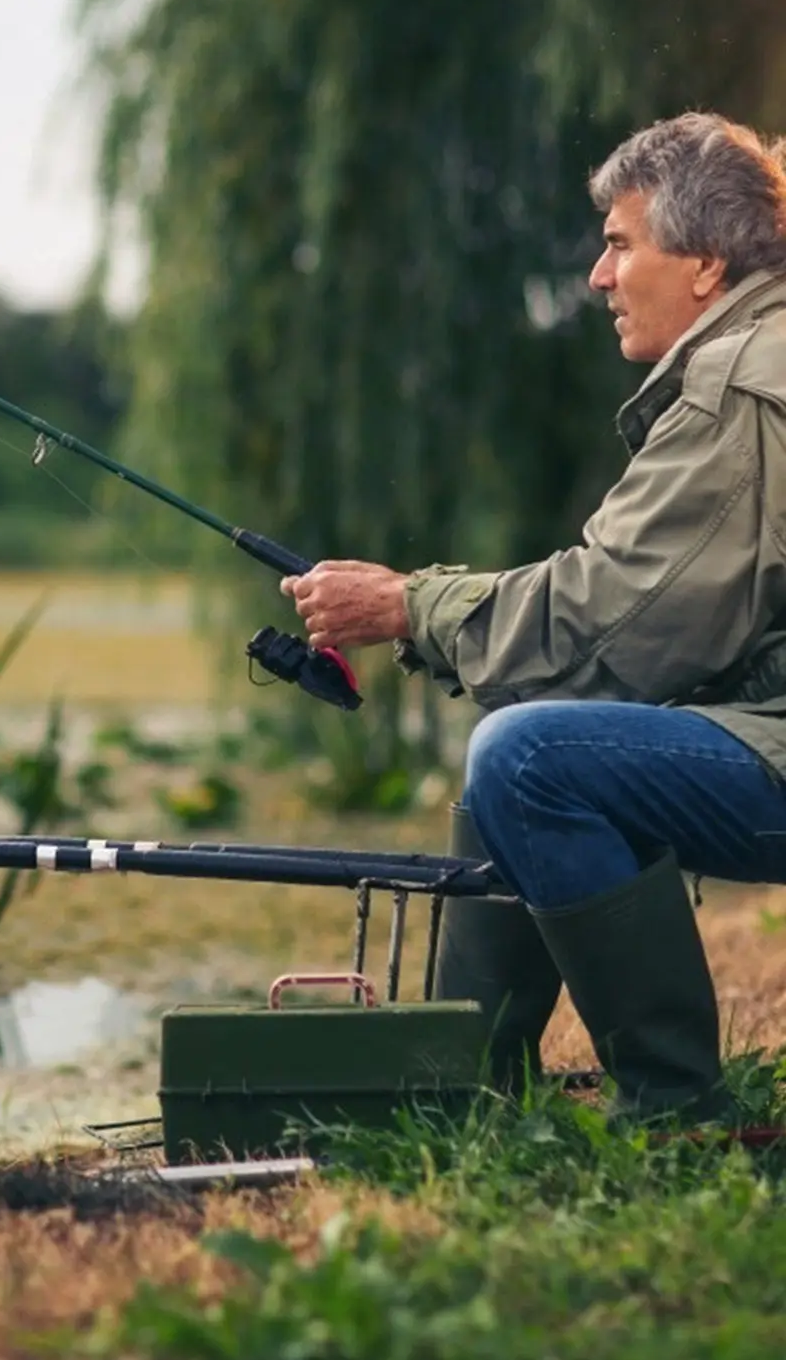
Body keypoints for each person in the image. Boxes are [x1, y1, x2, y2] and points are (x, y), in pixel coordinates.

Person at [280, 113, 786, 1120]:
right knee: (535, 738)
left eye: (619, 244)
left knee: (529, 756)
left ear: (705, 265)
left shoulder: (742, 380)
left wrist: (408, 605)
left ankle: (676, 1111)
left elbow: (615, 623)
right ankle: (457, 1091)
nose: (598, 276)